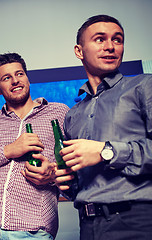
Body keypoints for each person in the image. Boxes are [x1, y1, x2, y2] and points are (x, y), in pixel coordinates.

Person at [54, 15, 152, 239]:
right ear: (79, 51)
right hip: (88, 226)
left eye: (117, 40)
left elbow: (102, 153)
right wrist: (64, 182)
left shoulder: (144, 86)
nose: (110, 46)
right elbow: (80, 185)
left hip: (138, 220)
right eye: (100, 39)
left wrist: (105, 151)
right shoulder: (73, 115)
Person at [0, 53, 70, 239]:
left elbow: (76, 164)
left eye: (19, 74)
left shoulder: (59, 113)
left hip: (32, 229)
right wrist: (8, 150)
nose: (15, 81)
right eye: (6, 78)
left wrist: (53, 175)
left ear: (27, 77)